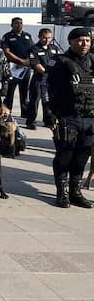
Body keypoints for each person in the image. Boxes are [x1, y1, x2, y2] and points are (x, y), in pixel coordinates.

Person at [47, 28, 94, 208]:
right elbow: (46, 88)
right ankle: (62, 192)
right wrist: (50, 115)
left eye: (88, 41)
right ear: (70, 41)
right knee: (64, 156)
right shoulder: (60, 62)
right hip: (68, 117)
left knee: (82, 157)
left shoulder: (92, 61)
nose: (84, 44)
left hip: (89, 118)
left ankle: (76, 191)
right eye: (80, 40)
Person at [25, 28, 60, 130]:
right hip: (39, 78)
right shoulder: (34, 49)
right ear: (40, 37)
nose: (47, 40)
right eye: (44, 38)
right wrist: (47, 73)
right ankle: (31, 122)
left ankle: (49, 121)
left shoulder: (54, 48)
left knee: (49, 100)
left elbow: (58, 61)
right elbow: (36, 64)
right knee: (34, 100)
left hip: (52, 80)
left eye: (49, 38)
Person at [2, 17, 34, 114]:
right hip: (13, 67)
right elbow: (6, 52)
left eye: (20, 23)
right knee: (10, 91)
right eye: (16, 23)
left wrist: (28, 61)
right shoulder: (7, 36)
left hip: (25, 68)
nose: (19, 25)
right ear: (11, 25)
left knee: (24, 91)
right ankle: (7, 112)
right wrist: (20, 61)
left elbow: (33, 50)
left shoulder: (27, 36)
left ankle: (24, 112)